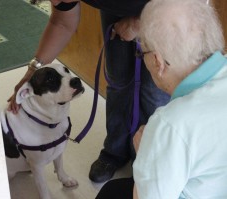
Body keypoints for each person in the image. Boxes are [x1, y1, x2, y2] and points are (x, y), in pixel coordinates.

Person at [7, 0, 170, 183]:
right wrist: (33, 69)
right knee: (118, 80)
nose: (56, 3)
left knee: (154, 91)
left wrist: (138, 23)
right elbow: (61, 22)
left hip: (171, 9)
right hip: (120, 6)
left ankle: (151, 162)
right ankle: (114, 151)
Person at [96, 0, 227, 198]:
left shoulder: (169, 124)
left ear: (158, 62)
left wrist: (146, 157)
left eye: (142, 52)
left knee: (110, 192)